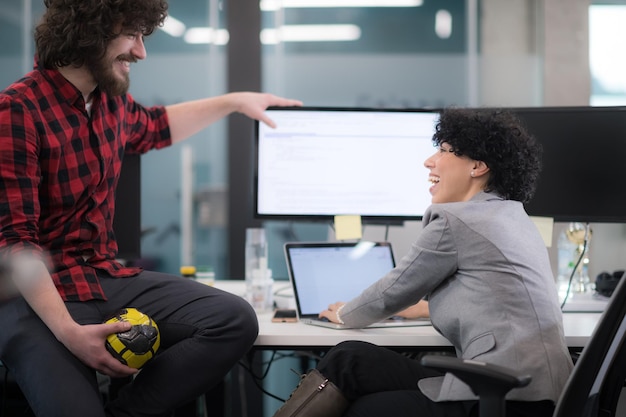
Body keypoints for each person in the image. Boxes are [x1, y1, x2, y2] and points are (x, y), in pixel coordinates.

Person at [0, 0, 302, 416]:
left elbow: (157, 126)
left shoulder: (109, 103)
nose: (141, 53)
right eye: (132, 36)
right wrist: (70, 333)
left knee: (233, 319)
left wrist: (234, 101)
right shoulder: (17, 109)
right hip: (36, 298)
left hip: (102, 276)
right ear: (88, 31)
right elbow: (17, 245)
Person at [272, 108, 574, 417]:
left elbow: (394, 290)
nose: (429, 161)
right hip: (538, 391)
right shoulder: (512, 216)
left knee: (364, 406)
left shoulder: (457, 219)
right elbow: (494, 298)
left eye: (443, 150)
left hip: (504, 395)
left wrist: (343, 314)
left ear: (478, 166)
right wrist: (417, 308)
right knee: (351, 358)